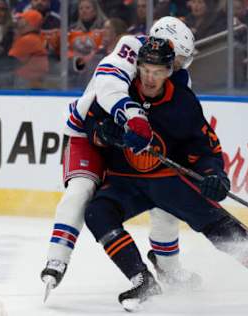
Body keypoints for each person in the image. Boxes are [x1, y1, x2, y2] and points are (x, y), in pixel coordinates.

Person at [83, 37, 248, 311]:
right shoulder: (119, 90)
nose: (150, 79)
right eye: (145, 71)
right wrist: (102, 132)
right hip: (125, 180)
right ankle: (142, 279)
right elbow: (90, 121)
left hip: (168, 179)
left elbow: (204, 149)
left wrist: (214, 175)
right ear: (137, 66)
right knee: (97, 212)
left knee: (217, 224)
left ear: (169, 72)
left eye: (158, 72)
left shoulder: (182, 102)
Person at [41, 17, 199, 297]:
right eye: (180, 57)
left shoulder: (180, 77)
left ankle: (168, 267)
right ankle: (57, 259)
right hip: (88, 134)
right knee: (80, 191)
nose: (181, 65)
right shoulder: (130, 46)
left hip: (130, 145)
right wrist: (132, 114)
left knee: (165, 201)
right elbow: (107, 84)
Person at [8, 9, 49, 89]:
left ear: (28, 23)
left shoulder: (28, 40)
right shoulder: (35, 38)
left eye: (22, 19)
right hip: (33, 80)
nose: (19, 22)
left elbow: (10, 62)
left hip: (26, 82)